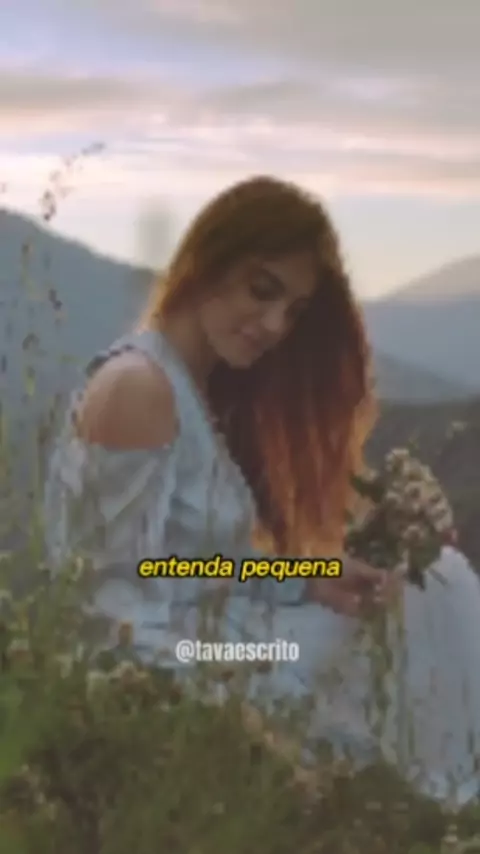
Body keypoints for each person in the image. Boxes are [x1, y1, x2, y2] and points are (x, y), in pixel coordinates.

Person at [44, 175, 480, 803]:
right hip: (190, 658)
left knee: (431, 589)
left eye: (293, 310)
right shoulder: (138, 387)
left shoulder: (192, 389)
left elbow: (173, 565)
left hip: (229, 631)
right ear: (208, 259)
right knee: (426, 611)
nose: (275, 324)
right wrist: (238, 690)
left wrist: (307, 578)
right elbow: (107, 610)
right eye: (262, 289)